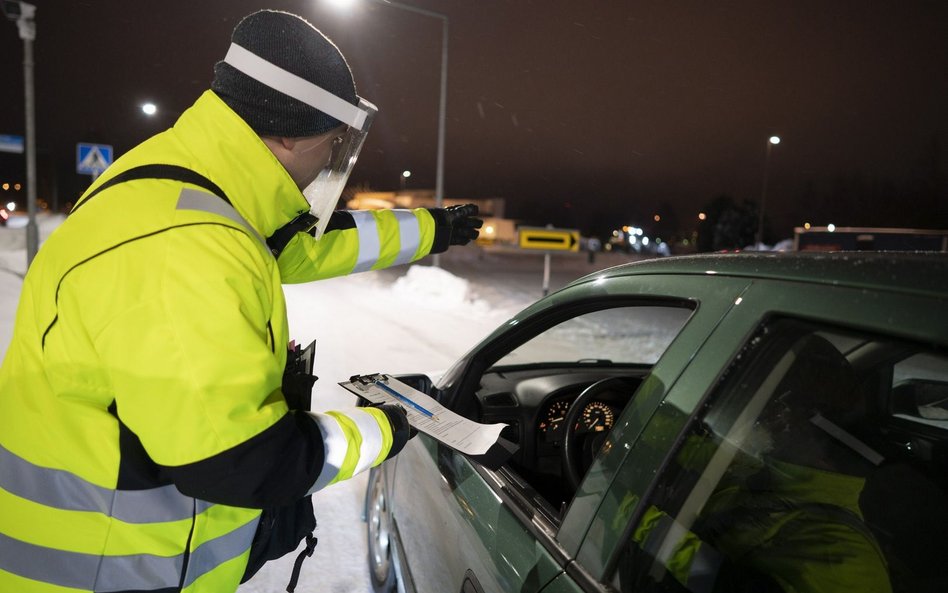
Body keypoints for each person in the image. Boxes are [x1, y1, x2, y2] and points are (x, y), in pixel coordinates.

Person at [0, 9, 481, 593]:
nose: (329, 168)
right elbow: (247, 463)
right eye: (331, 148)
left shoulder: (182, 187)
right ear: (288, 135)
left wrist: (434, 230)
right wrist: (388, 424)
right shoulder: (185, 250)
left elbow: (299, 247)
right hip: (103, 571)